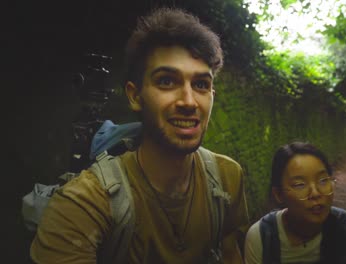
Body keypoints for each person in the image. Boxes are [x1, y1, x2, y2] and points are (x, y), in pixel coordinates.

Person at [30, 8, 249, 263]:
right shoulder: (83, 204)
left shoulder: (227, 178)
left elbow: (230, 251)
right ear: (135, 96)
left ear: (212, 95)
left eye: (201, 84)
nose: (189, 102)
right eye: (166, 81)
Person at [244, 142, 346, 264]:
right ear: (279, 194)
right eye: (300, 185)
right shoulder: (262, 238)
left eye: (323, 180)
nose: (315, 193)